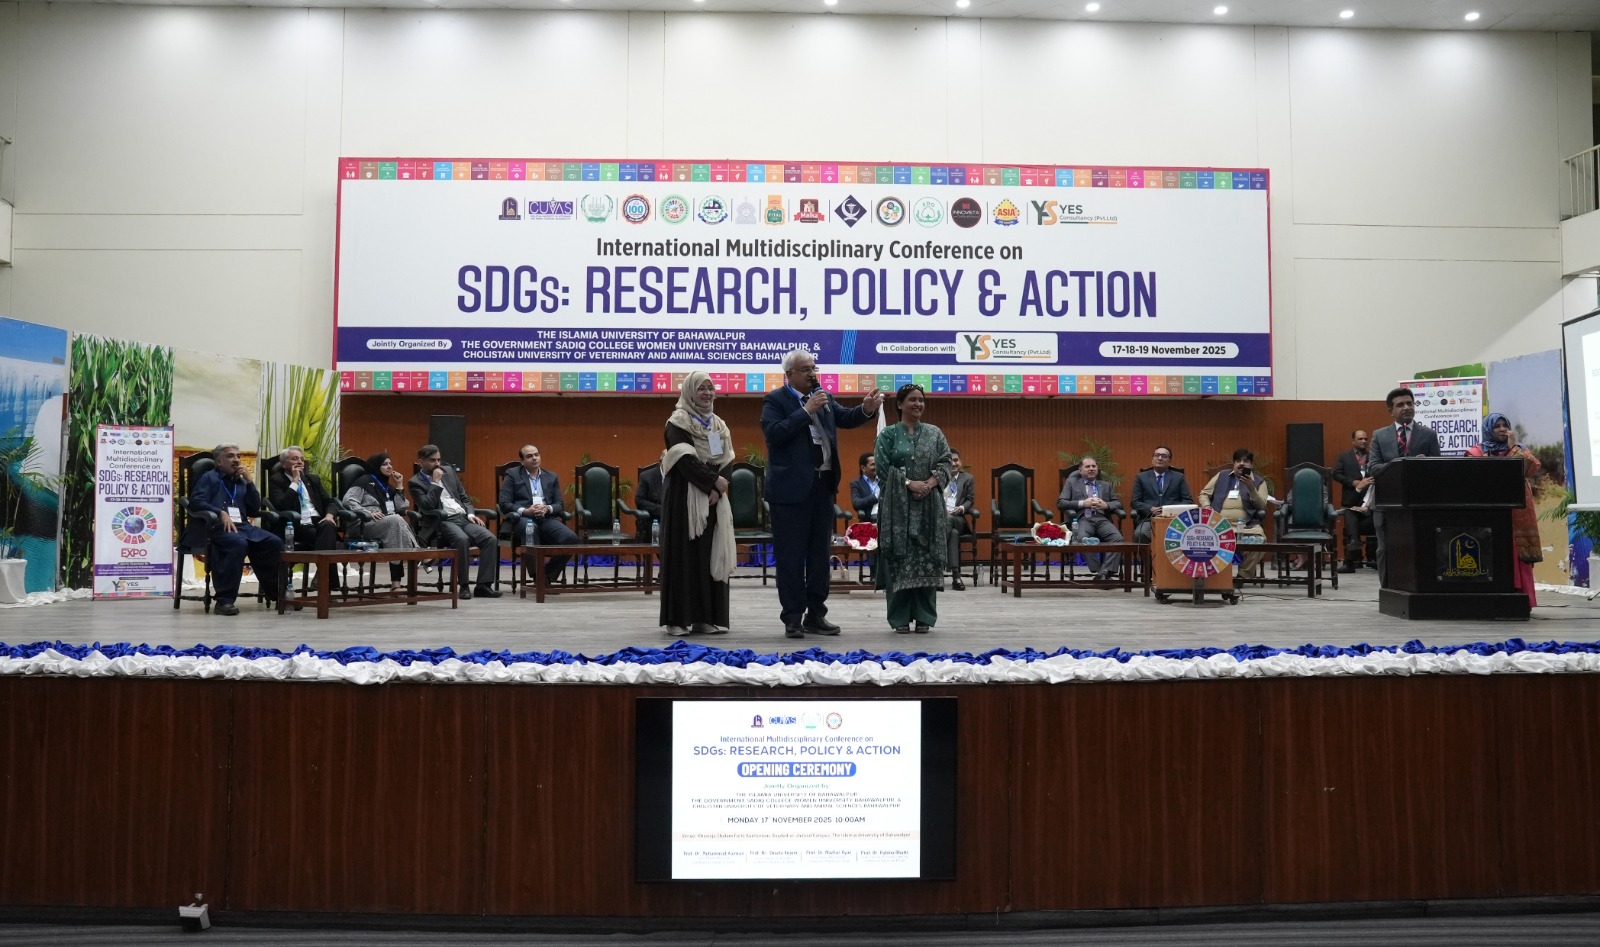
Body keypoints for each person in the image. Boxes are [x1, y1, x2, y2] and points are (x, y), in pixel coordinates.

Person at [760, 347, 884, 640]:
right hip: (790, 493)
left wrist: (866, 409)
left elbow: (846, 418)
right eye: (806, 370)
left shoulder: (823, 397)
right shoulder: (775, 400)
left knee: (819, 556)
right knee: (791, 558)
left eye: (814, 368)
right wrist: (806, 411)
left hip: (822, 487)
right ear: (789, 374)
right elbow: (774, 434)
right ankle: (792, 618)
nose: (812, 374)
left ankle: (816, 615)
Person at [659, 372, 736, 636]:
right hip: (684, 498)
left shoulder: (718, 424)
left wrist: (717, 487)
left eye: (710, 388)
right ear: (690, 392)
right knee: (683, 558)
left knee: (708, 556)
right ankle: (677, 620)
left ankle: (705, 618)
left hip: (713, 498)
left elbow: (727, 457)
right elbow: (684, 459)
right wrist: (712, 482)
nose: (707, 393)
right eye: (701, 388)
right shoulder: (677, 422)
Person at [874, 384, 952, 634]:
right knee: (899, 559)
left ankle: (924, 617)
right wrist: (909, 484)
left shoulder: (935, 433)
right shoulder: (888, 435)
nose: (918, 404)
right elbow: (883, 471)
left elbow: (946, 462)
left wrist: (928, 484)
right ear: (900, 404)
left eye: (921, 400)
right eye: (912, 400)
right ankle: (899, 618)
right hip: (897, 509)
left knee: (927, 558)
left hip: (929, 506)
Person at [184, 442, 281, 616]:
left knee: (273, 542)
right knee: (237, 543)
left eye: (238, 456)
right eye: (230, 456)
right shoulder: (209, 478)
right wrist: (219, 512)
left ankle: (277, 594)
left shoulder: (241, 481)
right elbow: (195, 502)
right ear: (218, 461)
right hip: (214, 528)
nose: (236, 460)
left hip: (241, 526)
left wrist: (250, 482)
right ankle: (224, 601)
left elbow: (253, 508)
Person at [1466, 413, 1541, 608]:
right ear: (1488, 429)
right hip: (1490, 509)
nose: (1501, 429)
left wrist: (1513, 448)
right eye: (1496, 426)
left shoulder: (1519, 449)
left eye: (1504, 425)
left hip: (1518, 511)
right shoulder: (1476, 452)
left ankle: (1523, 600)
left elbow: (1531, 469)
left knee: (1518, 552)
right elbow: (1477, 477)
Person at [409, 444, 503, 599]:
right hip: (442, 521)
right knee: (462, 540)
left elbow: (464, 498)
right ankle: (464, 586)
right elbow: (427, 506)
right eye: (432, 460)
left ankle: (483, 586)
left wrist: (471, 514)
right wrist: (435, 482)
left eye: (439, 460)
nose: (437, 464)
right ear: (421, 462)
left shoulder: (449, 472)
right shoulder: (415, 482)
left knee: (490, 539)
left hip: (463, 518)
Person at [1368, 387, 1442, 583]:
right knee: (1385, 549)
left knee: (1420, 547)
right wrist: (1405, 464)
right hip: (1386, 503)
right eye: (1400, 405)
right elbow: (1373, 468)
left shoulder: (1428, 435)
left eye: (1410, 403)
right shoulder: (1379, 435)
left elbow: (1438, 469)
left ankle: (1420, 588)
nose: (1407, 407)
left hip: (1418, 503)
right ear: (1390, 411)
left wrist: (1424, 464)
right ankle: (1386, 589)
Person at [341, 451, 422, 593]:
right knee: (396, 520)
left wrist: (399, 484)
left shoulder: (387, 487)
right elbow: (348, 500)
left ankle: (396, 584)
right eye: (385, 464)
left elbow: (400, 507)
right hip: (363, 524)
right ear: (376, 466)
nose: (389, 467)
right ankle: (418, 554)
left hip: (386, 524)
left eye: (390, 464)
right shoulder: (364, 481)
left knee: (396, 524)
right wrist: (368, 513)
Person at [496, 443, 577, 584]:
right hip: (521, 519)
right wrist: (526, 511)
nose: (534, 458)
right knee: (531, 529)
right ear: (522, 461)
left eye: (536, 455)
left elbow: (559, 504)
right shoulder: (513, 474)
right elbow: (504, 503)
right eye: (529, 456)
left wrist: (547, 508)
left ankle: (547, 576)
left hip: (545, 518)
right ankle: (537, 576)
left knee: (571, 539)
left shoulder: (551, 476)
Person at [268, 446, 342, 589]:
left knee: (328, 525)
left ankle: (322, 575)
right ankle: (326, 580)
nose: (300, 462)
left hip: (318, 521)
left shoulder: (312, 479)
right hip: (295, 523)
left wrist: (329, 515)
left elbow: (330, 502)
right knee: (327, 537)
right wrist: (295, 481)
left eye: (302, 459)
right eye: (295, 459)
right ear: (284, 464)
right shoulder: (277, 480)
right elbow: (281, 505)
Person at [1199, 448, 1271, 574]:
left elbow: (1261, 506)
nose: (1241, 464)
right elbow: (1204, 494)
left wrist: (1251, 488)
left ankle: (1242, 576)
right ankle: (1217, 577)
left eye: (1246, 461)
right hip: (1219, 525)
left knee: (1259, 543)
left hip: (1247, 527)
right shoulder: (1221, 476)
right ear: (1234, 464)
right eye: (1238, 461)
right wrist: (1207, 507)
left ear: (1251, 465)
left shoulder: (1259, 482)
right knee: (1200, 540)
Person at [1057, 456, 1125, 580]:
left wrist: (1106, 505)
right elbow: (1061, 503)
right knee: (1082, 538)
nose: (1091, 469)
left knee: (1118, 538)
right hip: (1083, 519)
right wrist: (1083, 503)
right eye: (1087, 466)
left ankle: (1105, 571)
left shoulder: (1105, 485)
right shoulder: (1072, 483)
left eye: (1094, 466)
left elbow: (1118, 504)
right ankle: (1100, 571)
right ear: (1080, 470)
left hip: (1102, 519)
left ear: (1097, 469)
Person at [1129, 445, 1194, 544]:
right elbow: (1135, 502)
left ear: (1169, 461)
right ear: (1152, 459)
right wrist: (1150, 509)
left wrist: (1169, 510)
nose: (1159, 458)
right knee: (1140, 534)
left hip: (1174, 520)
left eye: (1164, 456)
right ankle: (1148, 555)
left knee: (1188, 535)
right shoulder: (1141, 477)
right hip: (1149, 519)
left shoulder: (1179, 477)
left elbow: (1188, 501)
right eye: (1157, 455)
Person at [1332, 430, 1375, 572]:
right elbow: (1336, 474)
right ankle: (1354, 557)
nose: (1364, 441)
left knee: (1353, 523)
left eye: (1365, 439)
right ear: (1353, 441)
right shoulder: (1344, 457)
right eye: (1360, 439)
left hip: (1371, 501)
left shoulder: (1373, 457)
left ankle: (1359, 557)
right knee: (1350, 513)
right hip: (1352, 499)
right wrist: (1353, 483)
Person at [943, 448, 976, 591]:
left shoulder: (967, 478)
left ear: (960, 462)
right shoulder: (938, 478)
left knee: (950, 520)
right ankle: (956, 576)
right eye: (950, 461)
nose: (953, 463)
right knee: (953, 534)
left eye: (956, 460)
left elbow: (970, 500)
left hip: (958, 519)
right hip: (940, 519)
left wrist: (961, 508)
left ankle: (937, 566)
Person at [635, 451, 665, 535]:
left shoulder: (678, 477)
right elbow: (639, 500)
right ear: (661, 461)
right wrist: (661, 510)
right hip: (654, 518)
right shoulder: (646, 476)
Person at [850, 453, 881, 523]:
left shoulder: (884, 480)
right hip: (870, 519)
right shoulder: (856, 483)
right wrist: (876, 497)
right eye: (873, 464)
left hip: (887, 516)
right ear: (863, 468)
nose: (876, 467)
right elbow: (856, 503)